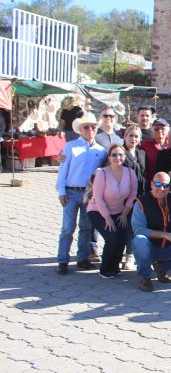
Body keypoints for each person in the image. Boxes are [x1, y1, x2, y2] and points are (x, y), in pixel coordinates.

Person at [55, 113, 107, 274]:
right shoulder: (70, 147)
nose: (90, 130)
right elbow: (63, 170)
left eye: (93, 127)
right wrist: (61, 191)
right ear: (80, 129)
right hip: (71, 191)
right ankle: (63, 260)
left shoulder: (101, 150)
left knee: (86, 227)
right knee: (68, 227)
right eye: (86, 127)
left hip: (89, 193)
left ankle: (82, 258)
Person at [86, 144, 138, 278]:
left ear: (124, 157)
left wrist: (124, 214)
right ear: (109, 158)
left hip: (120, 211)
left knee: (121, 238)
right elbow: (98, 198)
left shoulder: (130, 173)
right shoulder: (102, 173)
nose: (117, 157)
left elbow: (133, 195)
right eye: (114, 155)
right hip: (98, 211)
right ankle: (105, 269)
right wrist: (107, 218)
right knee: (112, 237)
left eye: (120, 154)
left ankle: (115, 268)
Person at [118, 124, 147, 269]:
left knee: (135, 226)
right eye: (130, 135)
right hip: (124, 196)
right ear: (125, 136)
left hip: (140, 196)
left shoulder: (141, 153)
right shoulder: (119, 152)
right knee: (125, 226)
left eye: (136, 136)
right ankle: (127, 257)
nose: (133, 139)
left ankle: (132, 254)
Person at [139, 118, 169, 183]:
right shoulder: (144, 144)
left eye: (162, 129)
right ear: (152, 131)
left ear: (167, 131)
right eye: (156, 129)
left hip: (169, 182)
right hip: (150, 182)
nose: (159, 131)